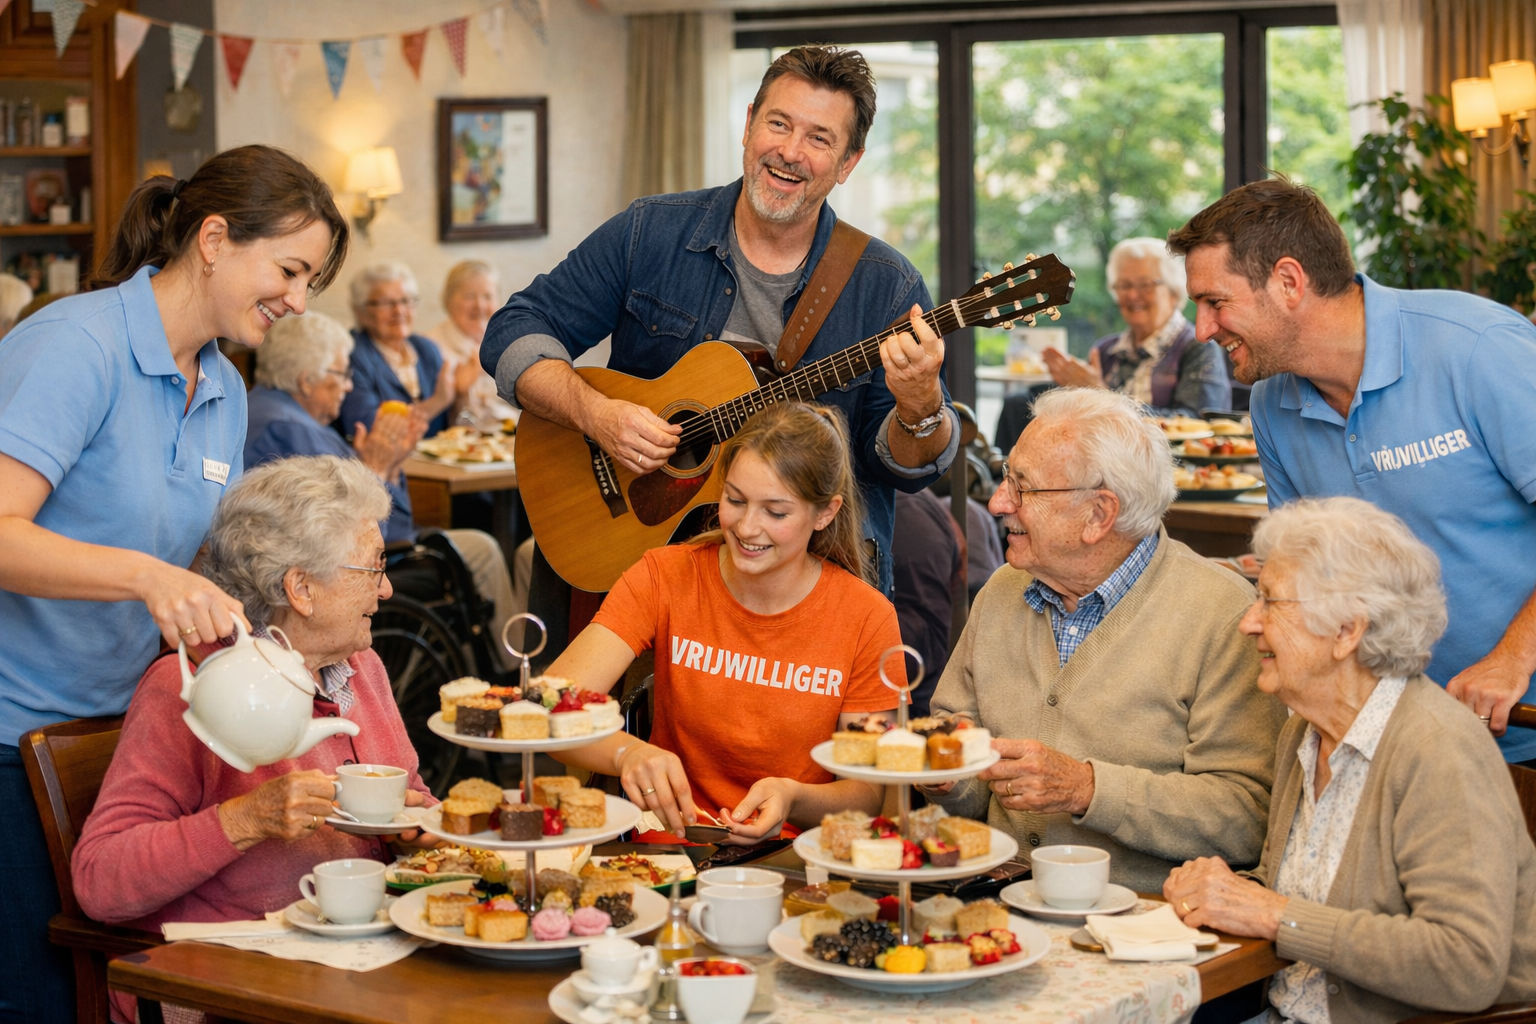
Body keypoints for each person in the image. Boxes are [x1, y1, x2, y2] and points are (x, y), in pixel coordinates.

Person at [0, 144, 347, 1024]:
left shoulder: (225, 388)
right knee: (39, 1000)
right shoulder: (72, 346)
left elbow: (184, 560)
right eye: (291, 270)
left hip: (116, 737)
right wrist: (149, 580)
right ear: (216, 239)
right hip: (11, 737)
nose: (299, 299)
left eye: (311, 281)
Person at [480, 44, 958, 596]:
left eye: (819, 138)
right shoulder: (650, 233)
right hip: (646, 566)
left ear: (848, 163)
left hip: (809, 587)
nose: (790, 152)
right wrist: (597, 414)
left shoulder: (887, 286)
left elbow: (904, 468)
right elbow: (513, 329)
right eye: (778, 124)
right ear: (750, 124)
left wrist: (921, 406)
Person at [1168, 176, 1536, 763]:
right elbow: (1310, 572)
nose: (1203, 329)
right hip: (1384, 739)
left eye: (1216, 302)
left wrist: (1514, 657)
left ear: (1289, 281)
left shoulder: (1477, 349)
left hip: (1519, 733)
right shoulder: (1271, 404)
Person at [73, 456, 436, 1024]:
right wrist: (245, 820)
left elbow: (413, 794)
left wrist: (418, 831)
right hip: (230, 988)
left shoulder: (361, 669)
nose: (387, 589)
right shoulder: (194, 690)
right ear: (302, 588)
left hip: (359, 962)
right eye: (374, 568)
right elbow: (100, 879)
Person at [1165, 496, 1536, 1024]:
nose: (1248, 623)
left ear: (1346, 631)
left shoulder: (1437, 749)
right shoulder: (1307, 730)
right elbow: (1296, 892)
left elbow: (1466, 963)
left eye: (1269, 602)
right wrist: (1222, 892)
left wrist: (1273, 914)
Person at [925, 387, 1286, 894]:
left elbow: (1247, 816)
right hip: (997, 905)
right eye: (1007, 477)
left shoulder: (1221, 613)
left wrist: (1088, 789)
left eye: (1022, 486)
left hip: (1145, 923)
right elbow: (956, 744)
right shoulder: (1003, 591)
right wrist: (944, 770)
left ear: (1099, 514)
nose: (998, 501)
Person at [547, 403, 901, 842]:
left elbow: (867, 795)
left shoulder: (866, 616)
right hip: (669, 856)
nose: (748, 527)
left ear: (825, 513)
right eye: (735, 500)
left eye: (776, 512)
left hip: (794, 860)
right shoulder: (665, 575)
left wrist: (792, 797)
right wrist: (625, 753)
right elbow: (545, 709)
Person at [245, 312, 523, 669]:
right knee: (481, 548)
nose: (348, 387)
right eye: (342, 374)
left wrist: (387, 464)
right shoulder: (296, 432)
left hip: (302, 569)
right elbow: (373, 535)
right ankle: (513, 667)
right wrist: (376, 468)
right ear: (307, 380)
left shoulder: (262, 408)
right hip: (329, 573)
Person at [993, 236, 1232, 454]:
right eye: (1124, 286)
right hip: (1102, 472)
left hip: (1167, 478)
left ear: (1173, 291)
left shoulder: (1197, 346)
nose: (1132, 295)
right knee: (1019, 405)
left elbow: (1199, 426)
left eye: (1145, 285)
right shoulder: (1106, 349)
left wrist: (1103, 396)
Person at [339, 261, 457, 440]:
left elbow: (450, 425)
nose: (399, 310)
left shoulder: (426, 349)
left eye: (405, 300)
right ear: (361, 310)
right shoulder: (351, 354)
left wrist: (461, 393)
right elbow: (365, 424)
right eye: (387, 303)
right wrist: (437, 402)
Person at [425, 259, 517, 431]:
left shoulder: (509, 341)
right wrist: (460, 393)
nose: (480, 305)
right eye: (469, 296)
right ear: (448, 301)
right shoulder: (431, 348)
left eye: (487, 296)